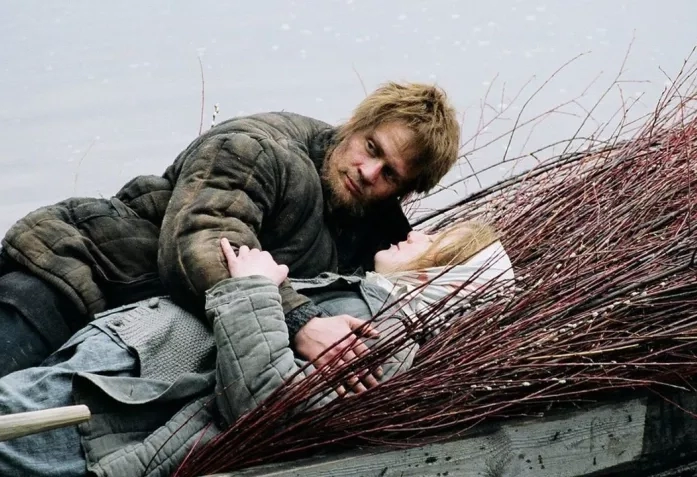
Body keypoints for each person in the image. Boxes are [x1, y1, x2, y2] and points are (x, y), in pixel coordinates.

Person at [0, 81, 461, 378]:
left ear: (405, 190)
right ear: (356, 125)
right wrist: (299, 321)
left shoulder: (373, 224)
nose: (368, 171)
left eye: (390, 173)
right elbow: (201, 246)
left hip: (127, 330)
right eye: (371, 147)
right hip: (67, 277)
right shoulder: (260, 150)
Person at [0, 221, 514, 477]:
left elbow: (267, 401)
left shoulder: (383, 335)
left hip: (118, 401)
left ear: (431, 277)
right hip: (120, 366)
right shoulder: (368, 298)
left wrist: (254, 287)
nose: (416, 231)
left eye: (434, 240)